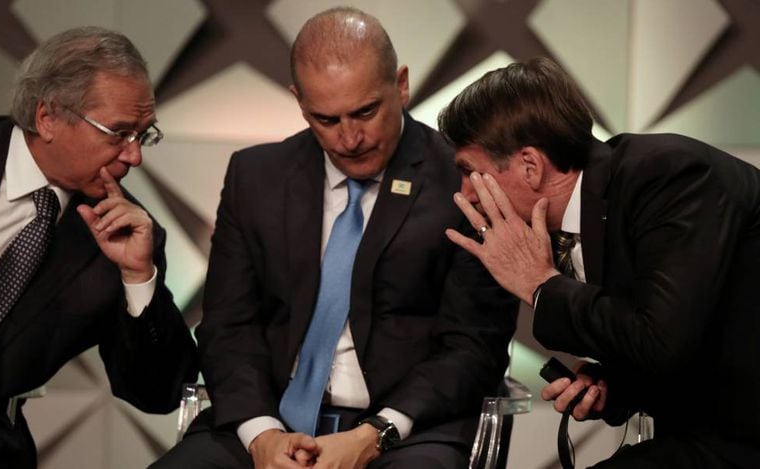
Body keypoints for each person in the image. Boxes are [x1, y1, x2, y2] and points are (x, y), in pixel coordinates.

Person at [154, 7, 517, 469]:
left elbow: (474, 346)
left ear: (401, 85)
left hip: (411, 431)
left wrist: (377, 433)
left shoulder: (461, 181)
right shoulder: (256, 177)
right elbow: (228, 327)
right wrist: (261, 434)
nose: (349, 138)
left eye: (365, 112)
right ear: (299, 102)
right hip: (269, 422)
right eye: (325, 119)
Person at [437, 56, 760, 468]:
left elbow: (662, 343)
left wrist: (540, 284)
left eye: (470, 171)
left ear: (530, 166)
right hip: (708, 429)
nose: (465, 192)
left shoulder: (669, 175)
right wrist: (613, 386)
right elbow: (678, 338)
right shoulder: (577, 219)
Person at [0, 27, 198, 468]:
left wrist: (138, 278)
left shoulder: (129, 237)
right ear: (48, 117)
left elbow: (158, 392)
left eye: (143, 135)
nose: (134, 156)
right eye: (118, 133)